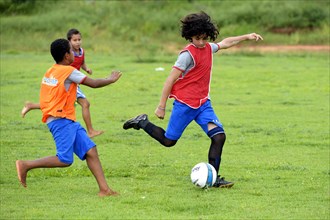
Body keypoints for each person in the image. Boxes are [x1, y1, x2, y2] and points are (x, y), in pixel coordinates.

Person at [123, 11, 263, 188]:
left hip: (203, 104)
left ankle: (213, 178)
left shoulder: (208, 48)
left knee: (219, 137)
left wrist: (247, 36)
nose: (202, 42)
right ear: (190, 36)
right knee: (168, 141)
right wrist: (161, 106)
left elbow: (225, 43)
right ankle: (142, 122)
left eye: (205, 38)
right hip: (184, 105)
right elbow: (170, 79)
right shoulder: (187, 55)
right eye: (198, 38)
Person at [16, 38, 122, 197]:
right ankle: (26, 165)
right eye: (71, 51)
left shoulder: (51, 70)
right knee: (64, 159)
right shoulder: (69, 71)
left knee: (91, 150)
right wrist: (110, 79)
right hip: (60, 120)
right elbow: (93, 83)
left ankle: (104, 190)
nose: (74, 53)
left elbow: (50, 98)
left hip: (66, 119)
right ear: (66, 56)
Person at [21, 28, 103, 138]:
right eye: (74, 40)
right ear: (69, 42)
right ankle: (91, 131)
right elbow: (92, 83)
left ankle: (31, 105)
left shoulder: (81, 51)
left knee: (58, 104)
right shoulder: (66, 53)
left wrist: (86, 68)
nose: (77, 42)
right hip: (69, 82)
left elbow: (82, 62)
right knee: (85, 104)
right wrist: (110, 79)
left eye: (79, 39)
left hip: (74, 82)